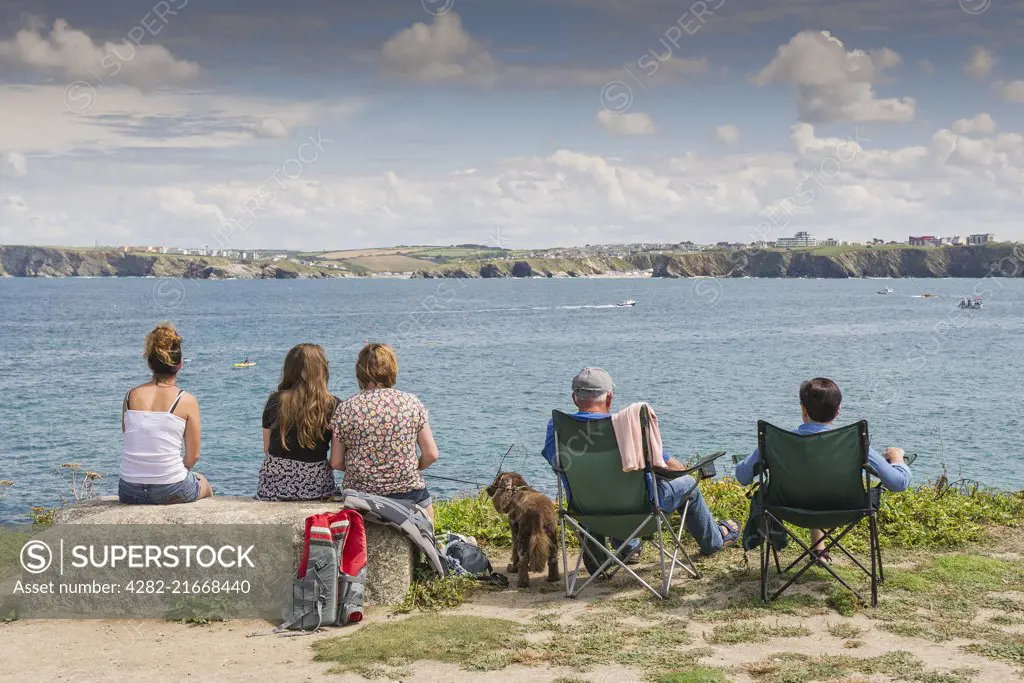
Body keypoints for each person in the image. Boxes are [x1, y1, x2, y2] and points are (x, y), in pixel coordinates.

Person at [541, 367, 739, 566]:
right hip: (642, 515)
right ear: (609, 398)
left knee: (599, 487)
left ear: (574, 398)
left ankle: (624, 550)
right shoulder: (626, 426)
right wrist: (683, 472)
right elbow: (669, 466)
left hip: (587, 514)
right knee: (687, 485)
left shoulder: (558, 428)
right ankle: (714, 541)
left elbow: (556, 463)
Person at [735, 377, 911, 560]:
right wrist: (897, 458)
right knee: (819, 487)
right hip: (845, 510)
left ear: (803, 409)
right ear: (838, 411)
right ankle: (819, 548)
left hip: (788, 509)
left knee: (810, 485)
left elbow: (742, 476)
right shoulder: (855, 444)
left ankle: (818, 548)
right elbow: (899, 483)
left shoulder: (776, 442)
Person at [330, 343, 439, 521]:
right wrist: (410, 468)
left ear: (360, 373)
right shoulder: (411, 402)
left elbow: (335, 462)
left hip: (361, 497)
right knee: (427, 510)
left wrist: (361, 471)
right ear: (392, 369)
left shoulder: (346, 408)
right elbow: (431, 454)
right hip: (409, 494)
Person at [119, 323, 213, 505]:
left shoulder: (130, 396)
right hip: (171, 488)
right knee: (204, 483)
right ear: (180, 364)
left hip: (129, 489)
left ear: (149, 363)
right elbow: (193, 456)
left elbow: (132, 435)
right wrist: (170, 472)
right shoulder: (186, 400)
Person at [257, 344, 340, 501]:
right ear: (322, 370)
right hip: (316, 490)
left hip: (273, 490)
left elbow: (267, 448)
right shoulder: (334, 405)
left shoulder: (275, 401)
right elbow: (335, 460)